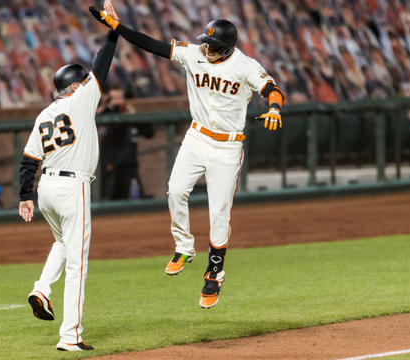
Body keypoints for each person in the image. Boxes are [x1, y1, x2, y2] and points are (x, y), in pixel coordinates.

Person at [90, 1, 286, 309]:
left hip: (227, 145)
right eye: (205, 41)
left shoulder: (244, 66)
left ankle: (215, 271)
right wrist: (117, 27)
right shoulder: (193, 53)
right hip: (197, 137)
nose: (206, 47)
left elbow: (272, 88)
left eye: (212, 44)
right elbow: (153, 45)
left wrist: (274, 107)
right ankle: (184, 246)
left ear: (226, 48)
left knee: (218, 212)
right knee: (176, 190)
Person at [17, 1, 119, 352]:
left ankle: (41, 289)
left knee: (62, 244)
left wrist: (24, 197)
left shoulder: (45, 112)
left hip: (45, 189)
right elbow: (101, 67)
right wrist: (113, 32)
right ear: (75, 86)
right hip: (73, 186)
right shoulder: (80, 99)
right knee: (78, 264)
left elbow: (29, 159)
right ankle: (70, 336)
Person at [99, 84, 154, 200]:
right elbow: (109, 125)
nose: (118, 102)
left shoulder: (128, 114)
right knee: (109, 197)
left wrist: (132, 116)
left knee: (133, 197)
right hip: (110, 165)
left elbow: (149, 133)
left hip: (129, 164)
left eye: (120, 98)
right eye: (115, 99)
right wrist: (110, 108)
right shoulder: (105, 114)